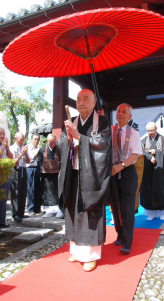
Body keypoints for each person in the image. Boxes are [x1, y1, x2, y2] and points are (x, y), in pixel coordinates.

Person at [57, 89, 112, 272]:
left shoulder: (102, 122)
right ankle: (76, 250)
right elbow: (61, 144)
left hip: (92, 177)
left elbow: (103, 144)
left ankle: (90, 255)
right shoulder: (72, 121)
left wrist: (80, 137)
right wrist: (68, 138)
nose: (81, 102)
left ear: (94, 102)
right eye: (78, 99)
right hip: (74, 174)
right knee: (73, 209)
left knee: (89, 212)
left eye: (85, 99)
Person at [111, 103, 143, 254]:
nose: (120, 114)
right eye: (118, 111)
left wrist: (121, 166)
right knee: (116, 208)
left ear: (129, 117)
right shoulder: (109, 131)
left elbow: (135, 155)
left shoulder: (134, 133)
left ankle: (127, 242)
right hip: (112, 173)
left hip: (127, 172)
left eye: (124, 112)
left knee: (127, 208)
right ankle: (119, 234)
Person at [140, 121, 164, 220]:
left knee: (161, 190)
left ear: (156, 129)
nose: (150, 132)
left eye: (152, 130)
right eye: (148, 131)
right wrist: (150, 157)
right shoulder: (144, 140)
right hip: (148, 172)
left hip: (160, 171)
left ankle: (162, 213)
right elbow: (140, 153)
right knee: (148, 191)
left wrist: (157, 153)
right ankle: (150, 214)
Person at [37, 133, 62, 218]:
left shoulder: (59, 149)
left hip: (56, 175)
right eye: (50, 142)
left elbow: (62, 161)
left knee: (56, 192)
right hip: (46, 175)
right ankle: (49, 210)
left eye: (54, 142)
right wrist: (42, 170)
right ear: (47, 141)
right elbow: (39, 161)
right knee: (47, 193)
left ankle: (59, 210)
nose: (52, 144)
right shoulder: (42, 149)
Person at [9, 132, 30, 222]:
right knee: (16, 192)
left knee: (23, 191)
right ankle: (16, 213)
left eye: (23, 139)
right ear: (15, 139)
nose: (22, 141)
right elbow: (13, 162)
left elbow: (28, 161)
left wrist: (25, 154)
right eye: (20, 139)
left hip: (23, 169)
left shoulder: (23, 148)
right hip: (15, 170)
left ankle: (21, 212)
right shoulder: (12, 148)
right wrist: (21, 154)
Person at [0, 128, 13, 227]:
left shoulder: (5, 146)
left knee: (4, 198)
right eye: (1, 134)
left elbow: (11, 157)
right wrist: (2, 148)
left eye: (3, 134)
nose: (2, 136)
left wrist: (7, 148)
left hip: (5, 174)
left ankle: (2, 221)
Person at [26, 133, 41, 215]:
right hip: (30, 168)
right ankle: (30, 208)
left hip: (38, 168)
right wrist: (38, 151)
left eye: (38, 139)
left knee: (38, 189)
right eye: (35, 139)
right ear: (31, 139)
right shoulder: (28, 148)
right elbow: (31, 159)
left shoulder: (40, 147)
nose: (37, 141)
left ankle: (37, 208)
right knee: (31, 189)